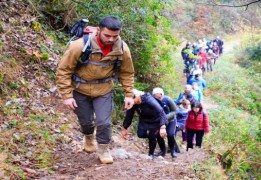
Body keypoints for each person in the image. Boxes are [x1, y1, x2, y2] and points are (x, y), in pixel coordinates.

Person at [56, 16, 135, 164]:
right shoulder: (79, 46)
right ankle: (88, 138)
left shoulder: (122, 49)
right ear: (98, 30)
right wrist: (67, 95)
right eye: (107, 35)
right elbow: (64, 70)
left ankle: (104, 148)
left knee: (104, 122)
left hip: (104, 90)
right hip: (80, 89)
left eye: (115, 36)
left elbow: (127, 72)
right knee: (86, 121)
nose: (111, 40)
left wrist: (129, 94)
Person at [121, 89, 167, 160]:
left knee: (152, 136)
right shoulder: (133, 103)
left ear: (137, 96)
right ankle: (154, 136)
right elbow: (129, 116)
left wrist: (162, 127)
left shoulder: (149, 100)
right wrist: (124, 128)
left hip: (155, 120)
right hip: (144, 120)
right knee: (140, 134)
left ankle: (151, 153)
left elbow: (161, 112)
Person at [152, 87, 179, 158]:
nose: (158, 98)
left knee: (170, 134)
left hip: (171, 120)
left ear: (162, 95)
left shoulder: (168, 99)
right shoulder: (152, 101)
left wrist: (166, 117)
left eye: (159, 96)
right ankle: (163, 151)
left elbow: (176, 110)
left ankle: (173, 150)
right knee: (159, 135)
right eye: (156, 96)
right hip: (159, 121)